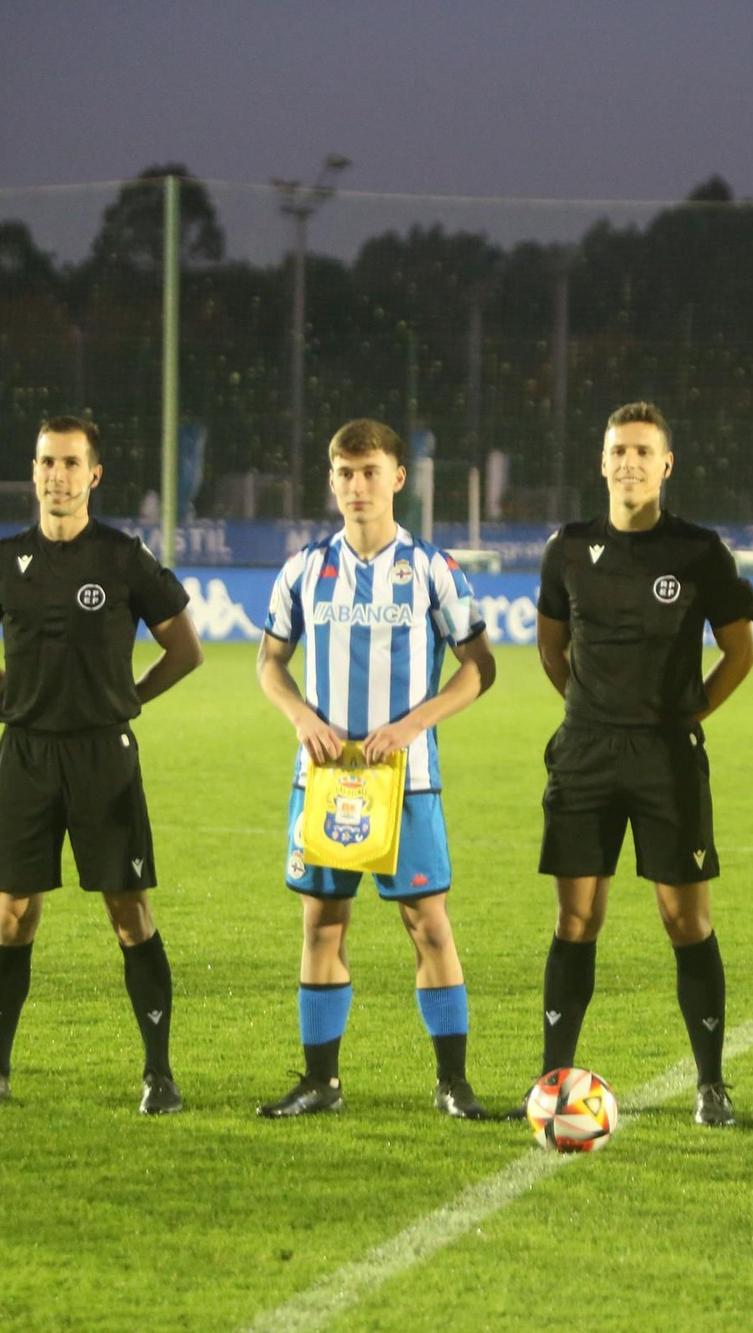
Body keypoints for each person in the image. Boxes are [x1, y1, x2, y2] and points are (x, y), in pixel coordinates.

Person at [0, 414, 205, 1113]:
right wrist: (29, 700)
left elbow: (185, 650)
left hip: (104, 755)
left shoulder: (124, 557)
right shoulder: (1, 559)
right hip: (27, 755)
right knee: (12, 913)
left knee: (128, 910)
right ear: (32, 472)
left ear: (93, 474)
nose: (56, 475)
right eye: (45, 462)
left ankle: (159, 1074)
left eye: (69, 463)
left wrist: (127, 700)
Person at [255, 419, 498, 1120]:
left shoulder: (432, 569)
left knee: (427, 923)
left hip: (408, 779)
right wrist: (302, 717)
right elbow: (269, 662)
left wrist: (414, 722)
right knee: (322, 923)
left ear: (398, 478)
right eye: (345, 473)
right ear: (331, 481)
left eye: (371, 472)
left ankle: (453, 1082)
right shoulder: (303, 568)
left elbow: (480, 666)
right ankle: (320, 1082)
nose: (357, 486)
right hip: (326, 778)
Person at [528, 401, 753, 1127]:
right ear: (602, 463)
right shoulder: (567, 548)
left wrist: (688, 715)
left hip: (667, 759)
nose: (629, 462)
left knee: (684, 918)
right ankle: (553, 1080)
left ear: (666, 466)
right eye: (617, 451)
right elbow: (550, 646)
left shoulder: (698, 551)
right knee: (577, 916)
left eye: (642, 452)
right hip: (586, 755)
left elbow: (740, 650)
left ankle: (711, 1083)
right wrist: (591, 709)